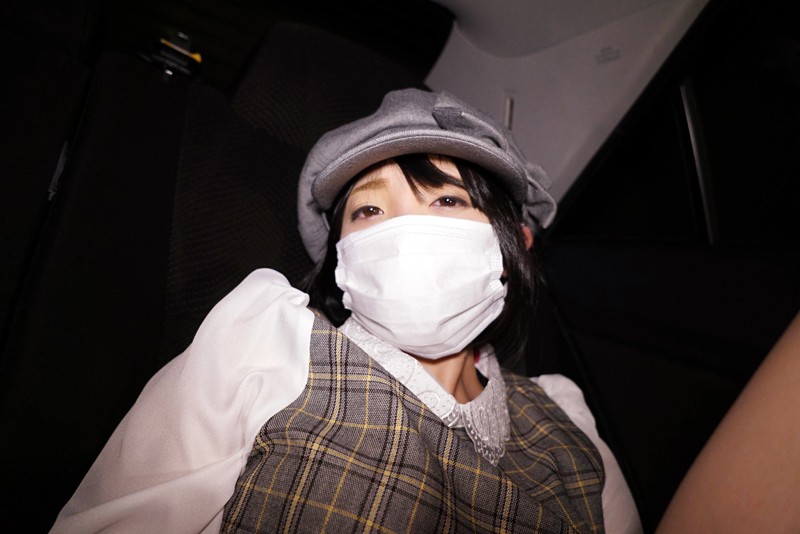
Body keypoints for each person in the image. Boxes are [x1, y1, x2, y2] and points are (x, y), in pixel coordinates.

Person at [50, 88, 640, 533]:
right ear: (342, 260)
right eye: (369, 212)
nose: (406, 232)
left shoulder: (566, 424)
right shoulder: (263, 346)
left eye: (446, 199)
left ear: (515, 245)